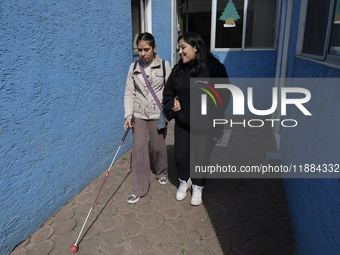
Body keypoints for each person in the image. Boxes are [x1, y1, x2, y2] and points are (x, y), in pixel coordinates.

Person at [163, 32, 230, 206]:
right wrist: (173, 104)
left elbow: (224, 95)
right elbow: (168, 93)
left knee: (201, 157)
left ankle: (198, 186)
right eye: (179, 48)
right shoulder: (178, 70)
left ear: (195, 47)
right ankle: (185, 181)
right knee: (180, 156)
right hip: (183, 123)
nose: (180, 51)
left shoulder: (215, 68)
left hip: (206, 125)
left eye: (183, 47)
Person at [124, 32, 171, 204]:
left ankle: (161, 172)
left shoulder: (164, 66)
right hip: (139, 115)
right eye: (139, 50)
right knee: (139, 150)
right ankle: (140, 188)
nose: (142, 53)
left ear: (154, 48)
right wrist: (128, 115)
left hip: (157, 114)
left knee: (158, 147)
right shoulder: (133, 67)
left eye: (146, 49)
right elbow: (129, 92)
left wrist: (172, 106)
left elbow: (171, 90)